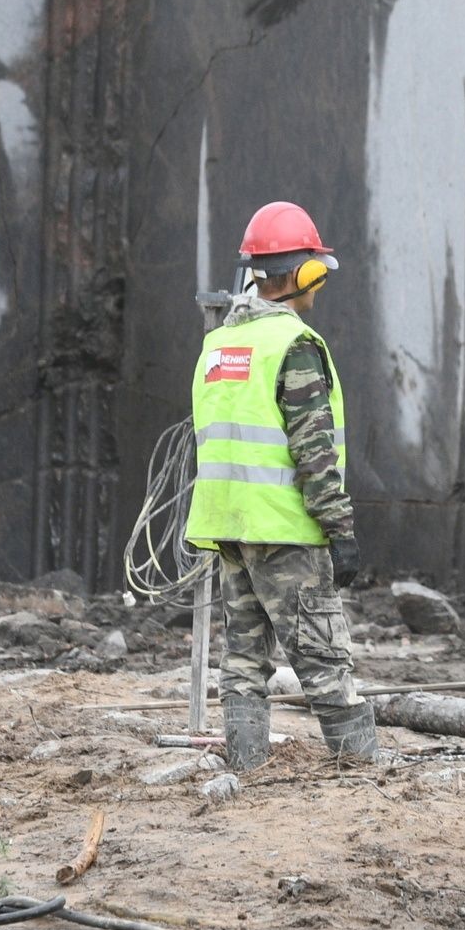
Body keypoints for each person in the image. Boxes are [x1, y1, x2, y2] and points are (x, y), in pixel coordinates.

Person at [183, 200, 374, 768]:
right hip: (286, 528)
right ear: (302, 272)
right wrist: (339, 530)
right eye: (316, 265)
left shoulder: (219, 345)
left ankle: (248, 768)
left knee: (243, 660)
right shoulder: (294, 346)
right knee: (324, 658)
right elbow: (313, 450)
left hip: (229, 527)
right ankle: (363, 776)